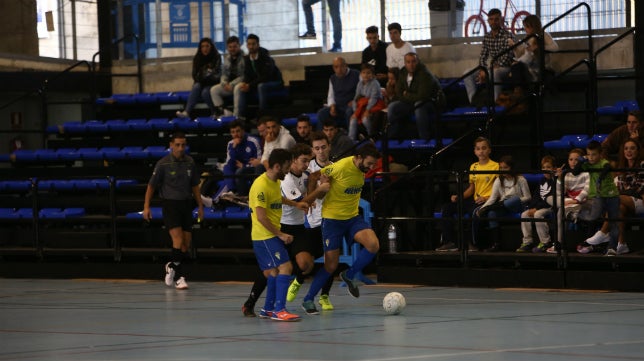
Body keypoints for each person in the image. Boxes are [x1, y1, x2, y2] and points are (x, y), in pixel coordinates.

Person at [300, 143, 381, 300]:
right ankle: (308, 299)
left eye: (373, 164)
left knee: (373, 244)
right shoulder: (340, 167)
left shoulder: (362, 169)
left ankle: (348, 275)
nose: (371, 167)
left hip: (352, 218)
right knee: (330, 266)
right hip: (332, 220)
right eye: (369, 163)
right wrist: (311, 198)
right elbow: (313, 176)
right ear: (358, 158)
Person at [248, 148, 308, 321]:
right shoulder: (260, 185)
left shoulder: (274, 182)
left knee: (274, 272)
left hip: (269, 235)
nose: (289, 169)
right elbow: (260, 217)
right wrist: (280, 234)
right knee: (286, 267)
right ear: (276, 166)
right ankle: (280, 310)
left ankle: (267, 309)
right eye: (287, 166)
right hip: (264, 236)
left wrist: (295, 204)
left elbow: (276, 198)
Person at [143, 132, 204, 290]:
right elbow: (151, 186)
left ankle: (171, 266)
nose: (180, 148)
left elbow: (195, 186)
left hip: (186, 205)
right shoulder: (162, 164)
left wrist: (200, 206)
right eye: (177, 145)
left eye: (183, 145)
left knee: (185, 246)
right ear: (171, 145)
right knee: (177, 240)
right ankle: (179, 277)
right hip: (170, 205)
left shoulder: (190, 162)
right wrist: (146, 207)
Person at [280, 143, 332, 314]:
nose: (306, 164)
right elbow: (303, 202)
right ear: (293, 160)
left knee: (307, 264)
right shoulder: (287, 179)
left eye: (308, 161)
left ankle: (298, 282)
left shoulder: (306, 174)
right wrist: (320, 189)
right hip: (284, 227)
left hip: (300, 227)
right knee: (275, 270)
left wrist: (318, 181)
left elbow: (311, 193)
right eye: (303, 161)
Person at [436, 137, 498, 252]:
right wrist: (459, 197)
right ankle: (450, 242)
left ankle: (473, 244)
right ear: (475, 151)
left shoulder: (495, 166)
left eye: (484, 148)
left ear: (489, 150)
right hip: (474, 200)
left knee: (473, 212)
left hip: (487, 201)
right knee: (447, 208)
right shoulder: (473, 166)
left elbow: (499, 189)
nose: (481, 151)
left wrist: (486, 198)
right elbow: (471, 188)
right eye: (478, 149)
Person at [584, 140, 643, 256]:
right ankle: (622, 244)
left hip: (641, 201)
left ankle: (603, 232)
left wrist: (624, 192)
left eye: (632, 148)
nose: (629, 151)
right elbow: (618, 188)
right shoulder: (622, 167)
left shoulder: (642, 165)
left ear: (638, 150)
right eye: (626, 148)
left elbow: (640, 189)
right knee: (618, 208)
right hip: (624, 201)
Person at [472, 155, 531, 251]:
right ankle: (496, 244)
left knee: (512, 200)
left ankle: (491, 208)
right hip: (502, 207)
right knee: (492, 213)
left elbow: (528, 197)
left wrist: (516, 200)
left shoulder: (521, 179)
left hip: (517, 205)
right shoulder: (499, 180)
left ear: (511, 167)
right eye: (501, 168)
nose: (503, 170)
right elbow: (492, 198)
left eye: (506, 168)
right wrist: (483, 207)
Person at [575, 141, 620, 255]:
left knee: (613, 222)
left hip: (612, 195)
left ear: (600, 154)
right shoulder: (588, 164)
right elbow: (576, 172)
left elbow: (607, 166)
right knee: (594, 216)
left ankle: (612, 248)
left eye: (594, 154)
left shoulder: (603, 162)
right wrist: (580, 161)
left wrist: (601, 177)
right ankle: (577, 215)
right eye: (589, 154)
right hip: (598, 196)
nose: (591, 157)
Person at [386, 52, 444, 140]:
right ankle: (393, 137)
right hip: (411, 102)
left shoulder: (425, 74)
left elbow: (423, 96)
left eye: (413, 61)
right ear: (405, 63)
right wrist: (409, 95)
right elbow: (399, 92)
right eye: (408, 62)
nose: (411, 64)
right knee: (392, 106)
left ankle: (424, 138)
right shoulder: (403, 72)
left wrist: (407, 94)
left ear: (418, 62)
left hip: (432, 102)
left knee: (419, 105)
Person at [463, 8, 515, 104]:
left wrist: (491, 68)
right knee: (467, 73)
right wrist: (483, 69)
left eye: (496, 19)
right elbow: (483, 56)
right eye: (491, 19)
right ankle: (474, 102)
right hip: (492, 67)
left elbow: (508, 57)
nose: (493, 22)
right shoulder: (487, 36)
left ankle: (496, 103)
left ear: (501, 20)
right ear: (488, 21)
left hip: (506, 68)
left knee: (495, 73)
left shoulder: (508, 35)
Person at [548, 148, 590, 253]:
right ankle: (572, 213)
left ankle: (558, 243)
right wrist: (559, 178)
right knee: (550, 198)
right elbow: (559, 193)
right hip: (569, 203)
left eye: (576, 159)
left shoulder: (586, 173)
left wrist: (576, 200)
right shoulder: (566, 174)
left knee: (560, 211)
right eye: (571, 159)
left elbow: (587, 191)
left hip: (583, 202)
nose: (573, 162)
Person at [237, 34, 284, 119]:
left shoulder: (266, 57)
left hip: (274, 82)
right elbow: (247, 74)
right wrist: (245, 83)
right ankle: (241, 117)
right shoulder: (247, 59)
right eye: (249, 44)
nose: (251, 46)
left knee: (261, 86)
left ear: (258, 45)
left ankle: (262, 116)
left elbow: (266, 77)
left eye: (253, 44)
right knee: (241, 87)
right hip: (258, 83)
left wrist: (250, 85)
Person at [516, 155, 557, 253]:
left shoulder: (555, 180)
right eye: (544, 167)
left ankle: (545, 242)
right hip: (540, 206)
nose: (545, 170)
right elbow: (536, 196)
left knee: (537, 214)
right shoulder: (542, 180)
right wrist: (532, 207)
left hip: (550, 206)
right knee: (524, 214)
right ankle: (527, 242)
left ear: (554, 168)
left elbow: (551, 198)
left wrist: (536, 209)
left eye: (548, 167)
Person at [176, 38, 221, 119]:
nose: (205, 48)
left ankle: (214, 112)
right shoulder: (197, 58)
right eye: (203, 46)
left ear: (211, 47)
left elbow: (216, 74)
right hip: (201, 82)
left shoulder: (217, 57)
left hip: (212, 83)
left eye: (207, 46)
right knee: (196, 86)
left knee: (205, 92)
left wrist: (206, 75)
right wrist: (205, 74)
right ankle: (186, 112)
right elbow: (195, 76)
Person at [507, 14, 559, 85]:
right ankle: (518, 91)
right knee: (516, 67)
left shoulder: (544, 35)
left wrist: (539, 47)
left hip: (543, 68)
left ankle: (519, 91)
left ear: (533, 26)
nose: (525, 29)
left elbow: (555, 47)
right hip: (530, 68)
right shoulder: (527, 38)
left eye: (526, 27)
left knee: (516, 68)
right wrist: (514, 48)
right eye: (524, 26)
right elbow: (522, 55)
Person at [221, 120, 262, 197]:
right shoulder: (231, 144)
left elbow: (259, 163)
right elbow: (230, 163)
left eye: (238, 131)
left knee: (240, 171)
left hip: (251, 168)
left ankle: (242, 196)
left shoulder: (253, 141)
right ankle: (232, 191)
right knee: (226, 167)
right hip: (238, 166)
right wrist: (234, 147)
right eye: (233, 132)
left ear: (243, 131)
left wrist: (244, 166)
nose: (235, 134)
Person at [317, 57, 360, 130]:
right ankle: (321, 137)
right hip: (338, 106)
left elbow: (364, 90)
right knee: (321, 113)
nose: (339, 69)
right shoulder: (332, 78)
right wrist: (332, 106)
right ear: (333, 68)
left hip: (351, 105)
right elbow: (331, 95)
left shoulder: (356, 74)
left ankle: (351, 137)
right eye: (336, 67)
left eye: (341, 66)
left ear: (346, 65)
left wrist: (355, 100)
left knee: (349, 111)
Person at [348, 64, 386, 140]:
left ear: (372, 74)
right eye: (364, 73)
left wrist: (367, 110)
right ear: (361, 74)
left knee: (365, 119)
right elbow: (356, 98)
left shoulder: (375, 83)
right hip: (362, 107)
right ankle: (351, 141)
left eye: (368, 73)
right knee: (353, 119)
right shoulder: (359, 84)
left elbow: (373, 98)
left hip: (374, 107)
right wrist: (356, 111)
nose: (366, 75)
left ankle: (371, 137)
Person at [210, 36, 245, 118]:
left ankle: (236, 116)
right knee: (214, 90)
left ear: (239, 46)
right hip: (229, 86)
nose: (232, 49)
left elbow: (244, 75)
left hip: (240, 84)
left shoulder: (245, 58)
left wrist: (232, 84)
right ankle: (223, 112)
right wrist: (224, 83)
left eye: (235, 47)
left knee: (237, 88)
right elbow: (224, 74)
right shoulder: (227, 59)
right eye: (230, 47)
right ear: (227, 47)